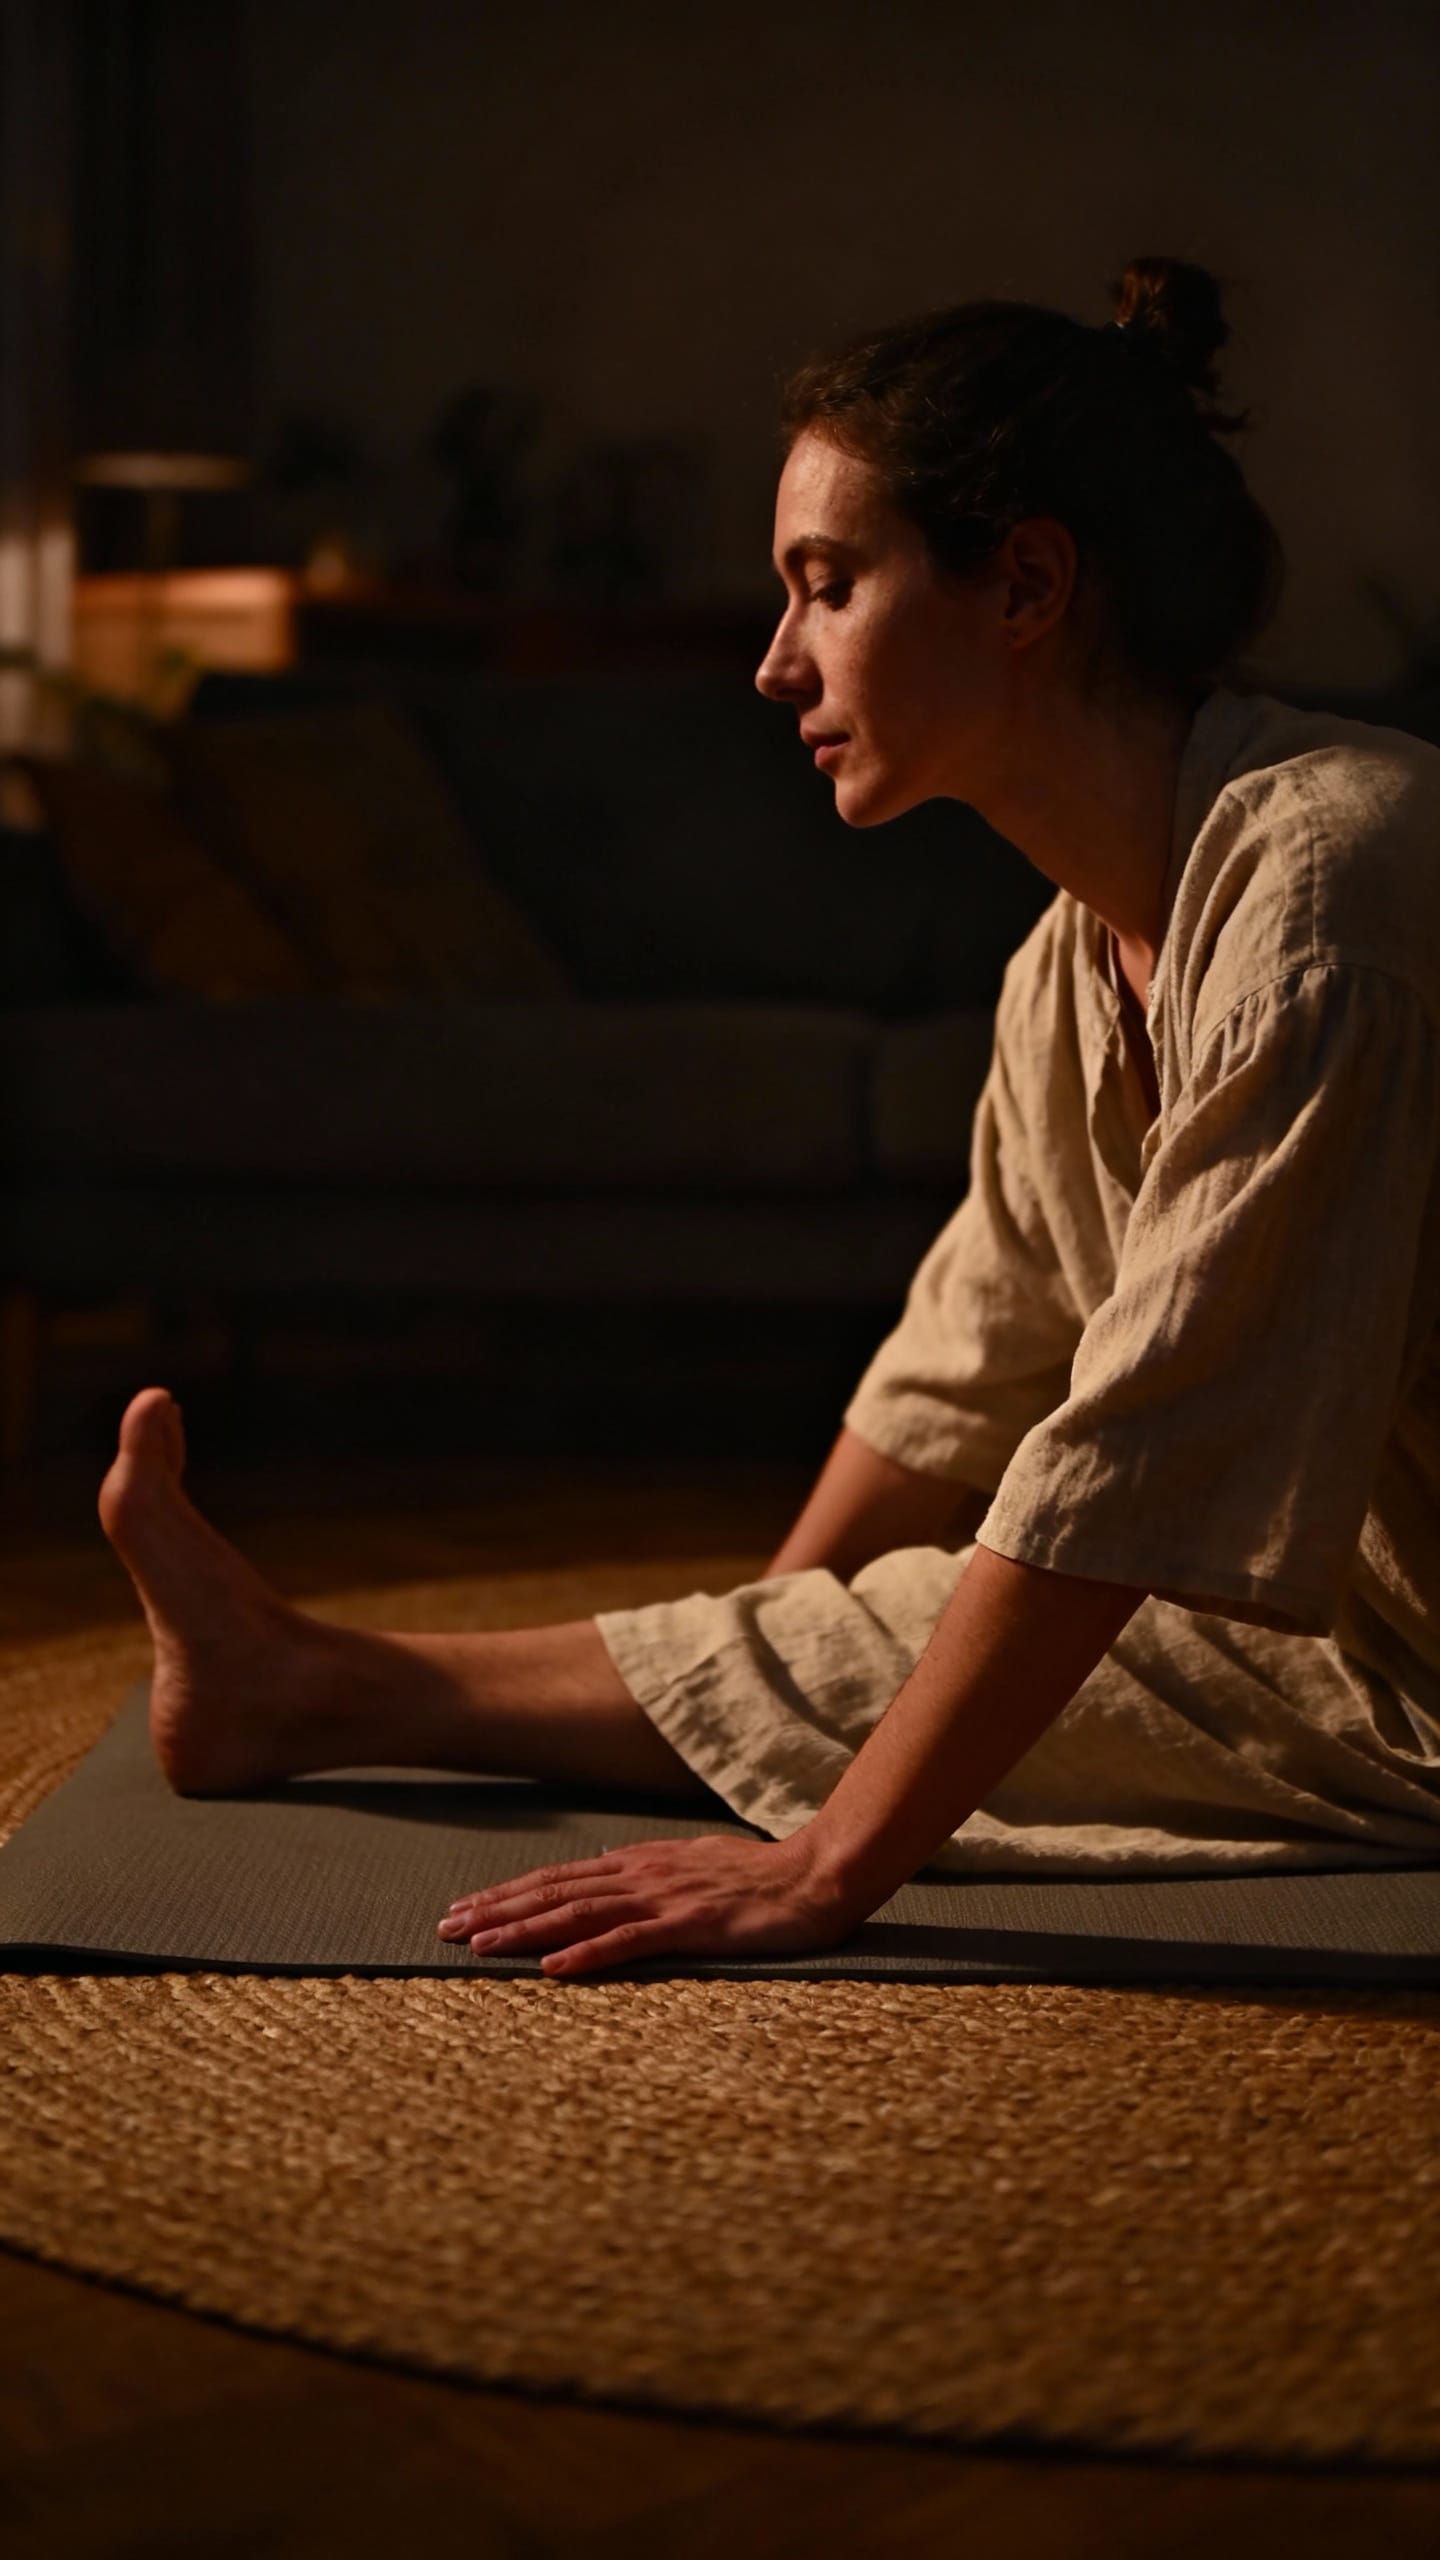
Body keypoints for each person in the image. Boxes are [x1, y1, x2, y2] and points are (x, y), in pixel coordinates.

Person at [99, 255, 1440, 1979]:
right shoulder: (1075, 952)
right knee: (929, 1623)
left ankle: (311, 1686)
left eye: (826, 586)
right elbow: (977, 1341)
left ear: (1025, 581)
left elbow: (1143, 1455)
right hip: (1364, 1616)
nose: (769, 663)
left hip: (1405, 1654)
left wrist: (825, 1870)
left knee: (1000, 1610)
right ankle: (300, 1683)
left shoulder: (1331, 882)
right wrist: (763, 1642)